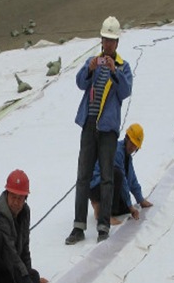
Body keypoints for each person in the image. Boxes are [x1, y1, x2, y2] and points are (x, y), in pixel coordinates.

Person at [65, 16, 133, 244]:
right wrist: (90, 70)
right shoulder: (92, 61)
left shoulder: (124, 67)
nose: (108, 44)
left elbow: (125, 92)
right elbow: (80, 83)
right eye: (105, 39)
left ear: (117, 43)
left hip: (108, 130)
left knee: (106, 177)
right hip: (89, 124)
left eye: (112, 40)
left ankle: (103, 226)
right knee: (83, 176)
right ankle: (78, 227)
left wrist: (115, 72)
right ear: (101, 40)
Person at [89, 123, 153, 225]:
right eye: (131, 143)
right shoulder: (117, 151)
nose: (132, 147)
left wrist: (140, 200)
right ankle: (105, 215)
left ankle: (99, 206)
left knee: (124, 208)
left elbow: (132, 180)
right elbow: (122, 180)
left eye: (135, 146)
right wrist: (131, 207)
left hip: (104, 186)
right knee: (117, 174)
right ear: (126, 138)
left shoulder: (127, 157)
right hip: (96, 185)